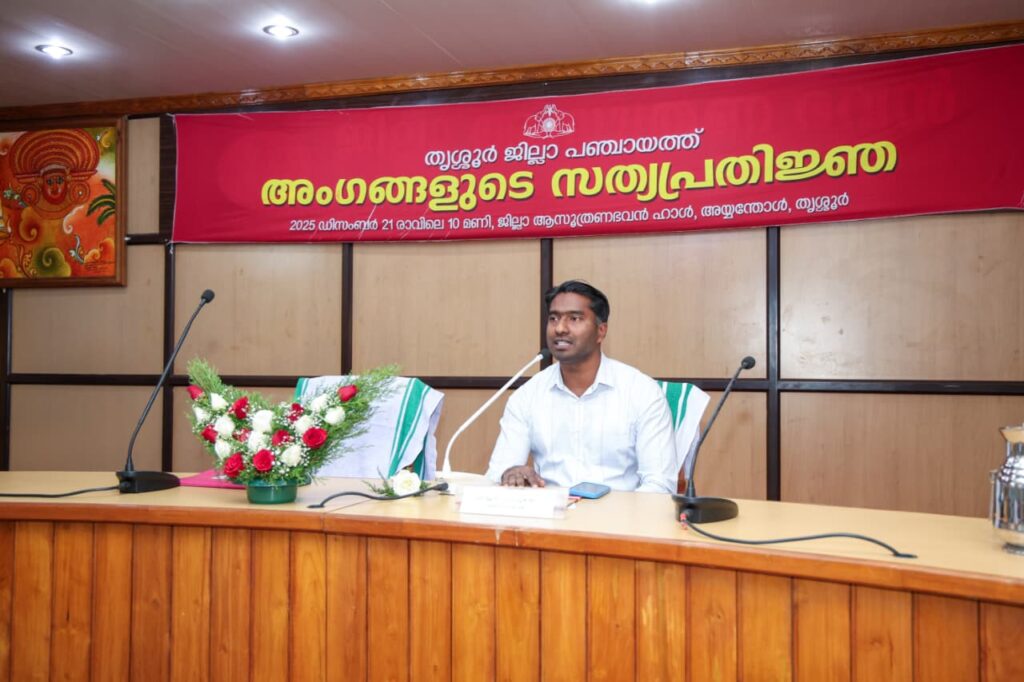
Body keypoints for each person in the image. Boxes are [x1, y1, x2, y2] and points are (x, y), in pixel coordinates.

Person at [485, 280, 678, 493]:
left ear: (601, 331)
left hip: (618, 512)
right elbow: (498, 473)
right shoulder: (527, 395)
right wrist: (510, 473)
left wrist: (619, 512)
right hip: (551, 511)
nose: (560, 328)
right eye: (553, 318)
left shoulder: (641, 392)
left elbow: (660, 485)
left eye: (574, 318)